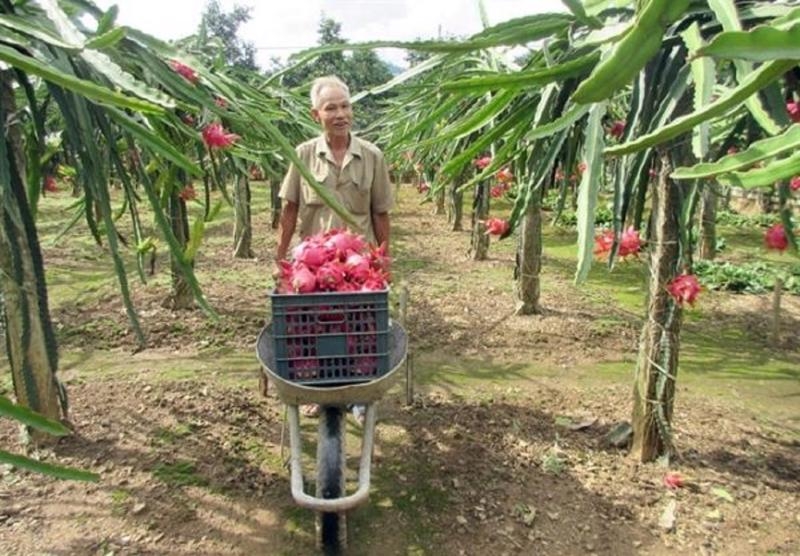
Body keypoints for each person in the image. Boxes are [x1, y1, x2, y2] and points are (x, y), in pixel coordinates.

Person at [275, 75, 394, 421]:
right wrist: (280, 257)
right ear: (317, 115)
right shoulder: (303, 155)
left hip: (360, 268)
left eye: (345, 106)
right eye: (331, 108)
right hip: (313, 267)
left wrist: (384, 260)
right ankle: (319, 391)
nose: (341, 114)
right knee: (315, 329)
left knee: (361, 330)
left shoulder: (372, 156)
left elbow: (381, 213)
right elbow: (290, 209)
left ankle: (359, 393)